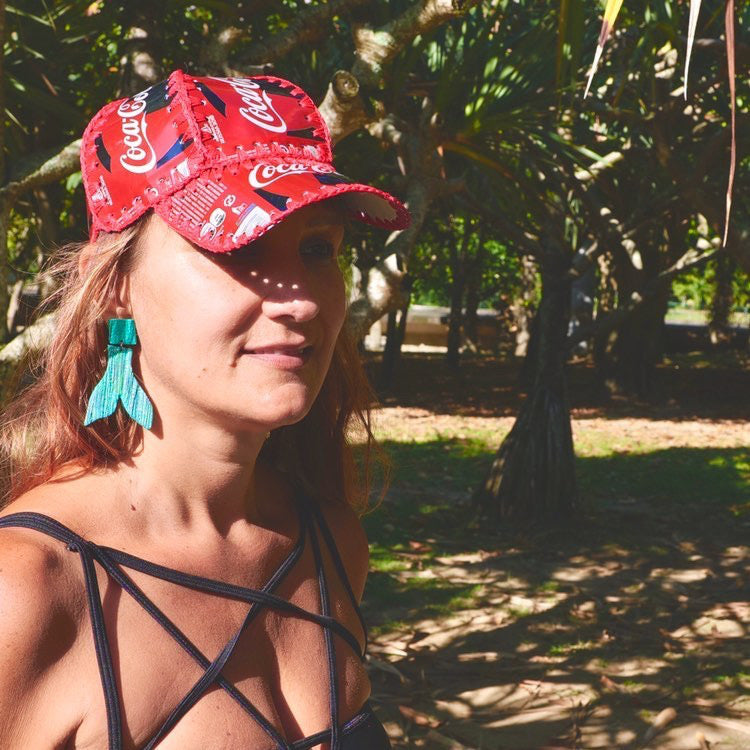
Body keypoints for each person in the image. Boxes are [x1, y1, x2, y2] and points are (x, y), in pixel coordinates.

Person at [0, 70, 409, 750]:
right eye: (238, 247)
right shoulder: (28, 591)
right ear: (115, 284)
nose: (302, 300)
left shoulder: (331, 542)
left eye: (317, 249)